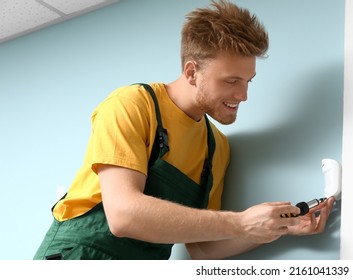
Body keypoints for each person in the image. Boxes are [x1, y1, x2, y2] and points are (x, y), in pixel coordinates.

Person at [33, 0, 335, 260]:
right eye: (232, 81)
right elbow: (123, 215)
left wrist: (279, 228)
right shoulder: (133, 105)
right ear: (192, 72)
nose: (243, 95)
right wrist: (240, 222)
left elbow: (203, 248)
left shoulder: (216, 146)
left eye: (248, 81)